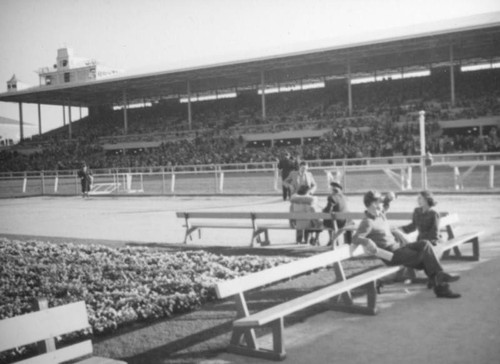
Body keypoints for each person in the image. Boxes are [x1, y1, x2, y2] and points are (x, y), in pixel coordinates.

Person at [352, 190, 461, 298]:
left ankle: (438, 278)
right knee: (425, 257)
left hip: (399, 248)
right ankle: (441, 284)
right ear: (370, 205)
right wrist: (367, 241)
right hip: (390, 255)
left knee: (425, 244)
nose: (381, 206)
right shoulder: (367, 222)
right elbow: (355, 238)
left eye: (380, 203)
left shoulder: (380, 214)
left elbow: (385, 204)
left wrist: (390, 197)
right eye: (378, 203)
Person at [322, 181, 351, 246]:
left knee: (327, 220)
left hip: (336, 222)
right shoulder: (345, 197)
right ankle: (347, 242)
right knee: (351, 221)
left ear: (333, 190)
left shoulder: (332, 197)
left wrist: (323, 210)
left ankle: (332, 239)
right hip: (344, 221)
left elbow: (327, 211)